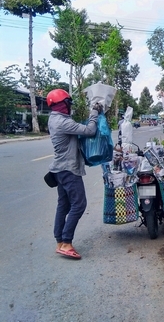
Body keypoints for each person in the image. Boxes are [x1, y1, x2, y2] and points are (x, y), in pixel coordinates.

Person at [46, 89, 104, 260]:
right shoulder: (61, 122)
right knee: (79, 204)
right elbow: (90, 131)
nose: (69, 106)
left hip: (59, 170)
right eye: (68, 103)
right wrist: (94, 113)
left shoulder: (56, 119)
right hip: (68, 170)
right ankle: (66, 243)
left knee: (63, 205)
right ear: (61, 104)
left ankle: (59, 241)